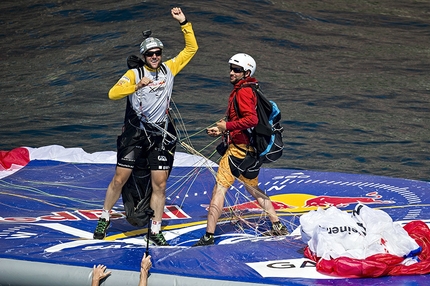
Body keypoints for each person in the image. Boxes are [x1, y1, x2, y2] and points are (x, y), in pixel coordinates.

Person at [93, 7, 198, 246]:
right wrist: (137, 86)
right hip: (136, 134)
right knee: (119, 179)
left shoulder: (169, 69)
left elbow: (191, 49)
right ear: (144, 55)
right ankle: (104, 217)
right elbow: (112, 93)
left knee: (160, 184)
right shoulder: (134, 73)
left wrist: (184, 23)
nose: (154, 56)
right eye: (150, 53)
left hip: (159, 134)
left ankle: (156, 228)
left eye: (158, 52)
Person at [193, 53, 289, 246]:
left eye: (236, 70)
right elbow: (243, 121)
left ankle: (208, 236)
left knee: (219, 189)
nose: (231, 72)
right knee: (252, 188)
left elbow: (251, 120)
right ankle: (277, 225)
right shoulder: (250, 88)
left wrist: (226, 127)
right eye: (231, 68)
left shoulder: (243, 91)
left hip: (238, 151)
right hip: (252, 150)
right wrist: (221, 129)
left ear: (246, 72)